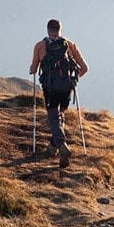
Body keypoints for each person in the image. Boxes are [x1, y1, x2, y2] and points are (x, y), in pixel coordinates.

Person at [29, 19, 88, 168]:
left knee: (54, 117)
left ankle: (62, 146)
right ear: (61, 29)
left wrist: (32, 68)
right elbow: (85, 68)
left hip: (51, 88)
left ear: (48, 29)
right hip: (67, 86)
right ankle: (52, 148)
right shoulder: (70, 45)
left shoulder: (40, 45)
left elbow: (34, 69)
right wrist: (73, 80)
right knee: (60, 116)